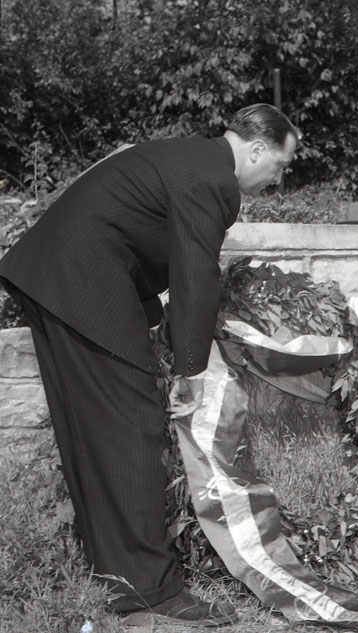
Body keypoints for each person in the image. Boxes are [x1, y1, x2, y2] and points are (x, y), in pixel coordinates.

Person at [0, 103, 299, 627]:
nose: (278, 179)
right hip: (82, 284)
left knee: (94, 432)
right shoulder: (213, 180)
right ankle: (149, 594)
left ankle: (116, 578)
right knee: (133, 426)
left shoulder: (192, 159)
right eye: (281, 165)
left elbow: (133, 230)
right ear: (257, 149)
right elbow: (195, 274)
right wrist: (190, 370)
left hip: (58, 278)